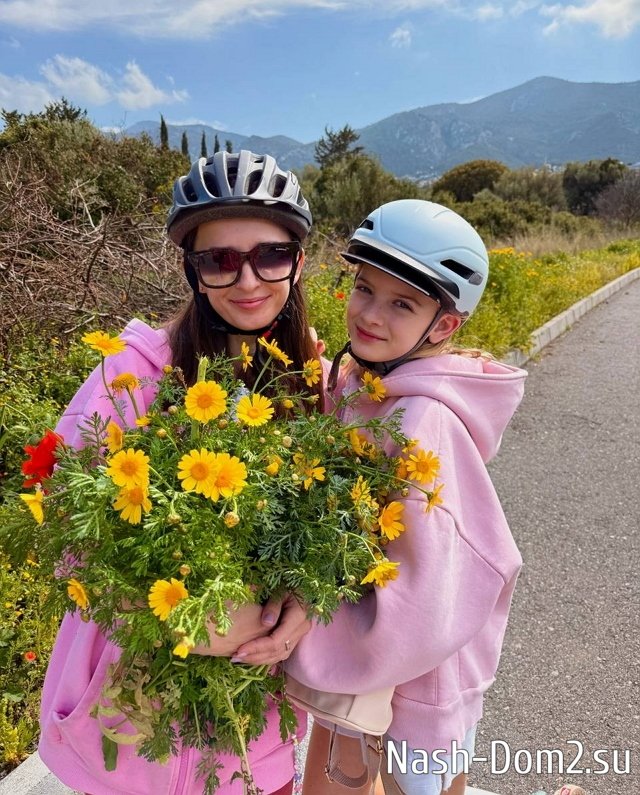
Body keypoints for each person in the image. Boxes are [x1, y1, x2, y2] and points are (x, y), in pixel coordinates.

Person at [38, 150, 322, 795]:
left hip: (252, 721)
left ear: (299, 261)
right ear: (191, 272)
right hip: (134, 716)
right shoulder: (131, 373)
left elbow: (342, 529)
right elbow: (61, 526)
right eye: (219, 259)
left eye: (271, 255)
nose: (248, 280)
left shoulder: (311, 381)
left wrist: (303, 612)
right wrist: (179, 619)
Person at [285, 199, 527, 795]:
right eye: (364, 289)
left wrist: (298, 631)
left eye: (402, 304)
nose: (370, 315)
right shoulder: (365, 383)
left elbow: (427, 598)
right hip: (365, 671)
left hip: (413, 682)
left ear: (443, 326)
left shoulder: (425, 420)